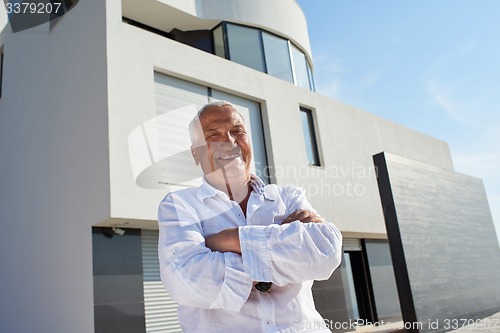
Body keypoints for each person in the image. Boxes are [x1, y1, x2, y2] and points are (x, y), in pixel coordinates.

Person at [158, 100, 343, 333]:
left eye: (237, 131)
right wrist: (285, 248)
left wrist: (225, 241)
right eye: (214, 134)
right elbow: (188, 281)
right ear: (196, 153)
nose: (230, 141)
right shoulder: (179, 205)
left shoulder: (289, 197)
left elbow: (325, 251)